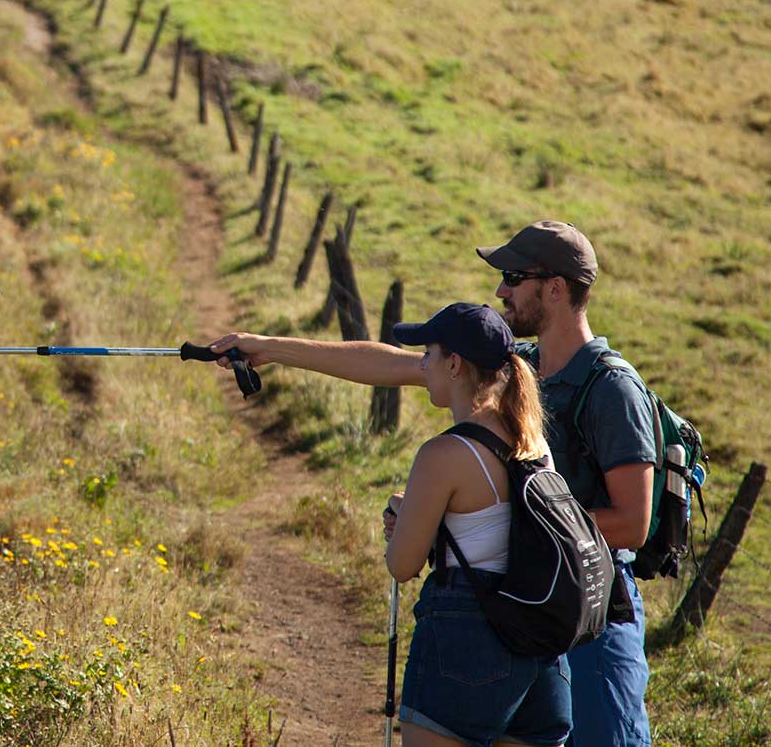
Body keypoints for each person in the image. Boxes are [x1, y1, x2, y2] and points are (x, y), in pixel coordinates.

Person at [207, 220, 655, 747]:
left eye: (513, 276)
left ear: (555, 288)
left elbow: (632, 523)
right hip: (517, 606)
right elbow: (391, 364)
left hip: (588, 610)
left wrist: (461, 518)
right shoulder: (516, 369)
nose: (500, 290)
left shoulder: (612, 388)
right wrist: (272, 349)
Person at [380, 301, 570, 747]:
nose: (422, 364)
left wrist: (405, 516)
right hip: (542, 649)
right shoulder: (534, 441)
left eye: (428, 352)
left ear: (455, 364)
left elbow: (402, 564)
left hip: (467, 641)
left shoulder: (442, 456)